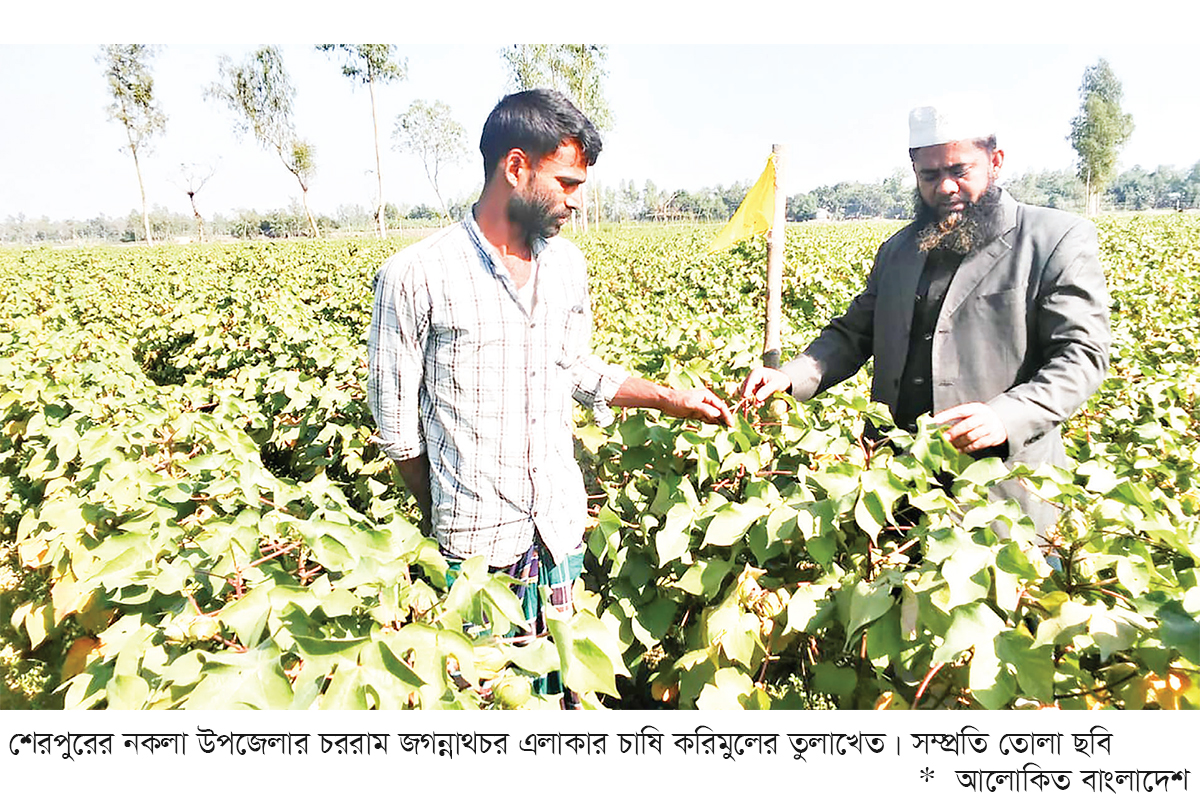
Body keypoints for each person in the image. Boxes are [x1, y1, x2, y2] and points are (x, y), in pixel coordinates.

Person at [367, 88, 733, 706]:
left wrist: (670, 398)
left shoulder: (567, 267)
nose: (575, 200)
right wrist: (449, 509)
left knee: (565, 701)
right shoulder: (415, 274)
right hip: (476, 553)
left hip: (559, 533)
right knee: (489, 706)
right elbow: (398, 428)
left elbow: (577, 368)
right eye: (565, 183)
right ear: (515, 167)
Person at [740, 95, 1111, 541]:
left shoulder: (1053, 238)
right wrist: (790, 376)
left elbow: (1081, 356)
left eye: (960, 171)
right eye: (930, 175)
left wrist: (1006, 416)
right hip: (897, 487)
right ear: (915, 172)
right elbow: (854, 333)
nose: (946, 187)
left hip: (1001, 494)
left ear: (995, 161)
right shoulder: (898, 250)